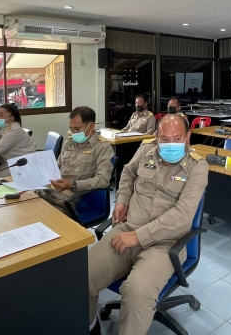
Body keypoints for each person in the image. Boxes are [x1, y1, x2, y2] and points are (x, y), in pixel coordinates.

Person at [87, 114, 208, 335]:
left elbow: (182, 215)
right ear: (156, 137)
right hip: (127, 229)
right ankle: (90, 327)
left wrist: (138, 237)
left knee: (137, 291)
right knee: (83, 274)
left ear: (188, 138)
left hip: (165, 244)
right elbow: (127, 172)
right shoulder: (146, 150)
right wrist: (122, 200)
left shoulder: (197, 167)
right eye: (164, 139)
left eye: (177, 138)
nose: (170, 144)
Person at [36, 107, 113, 217]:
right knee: (24, 206)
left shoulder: (102, 147)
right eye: (71, 129)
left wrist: (72, 185)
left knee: (43, 218)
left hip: (71, 198)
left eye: (77, 129)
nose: (73, 133)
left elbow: (103, 180)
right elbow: (57, 166)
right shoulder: (69, 142)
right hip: (50, 190)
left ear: (91, 126)